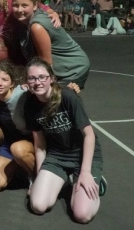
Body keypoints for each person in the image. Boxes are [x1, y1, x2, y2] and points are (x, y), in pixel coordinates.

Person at [24, 57, 106, 224]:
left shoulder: (67, 96)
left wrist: (85, 172)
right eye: (32, 78)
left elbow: (89, 135)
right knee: (38, 206)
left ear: (52, 79)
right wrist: (39, 176)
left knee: (82, 215)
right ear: (27, 82)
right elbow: (39, 145)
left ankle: (97, 182)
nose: (37, 82)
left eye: (42, 77)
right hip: (57, 156)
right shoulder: (30, 105)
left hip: (83, 156)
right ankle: (68, 180)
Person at [11, 0, 90, 88]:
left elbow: (46, 63)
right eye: (15, 5)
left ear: (35, 5)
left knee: (56, 100)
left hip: (72, 68)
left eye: (24, 5)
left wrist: (33, 83)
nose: (19, 9)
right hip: (61, 68)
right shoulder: (25, 21)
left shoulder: (37, 27)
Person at [0, 61, 35, 193]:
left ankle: (35, 176)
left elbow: (48, 90)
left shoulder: (24, 94)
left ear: (12, 83)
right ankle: (12, 163)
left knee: (17, 149)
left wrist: (70, 88)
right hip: (11, 140)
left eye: (4, 80)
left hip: (31, 141)